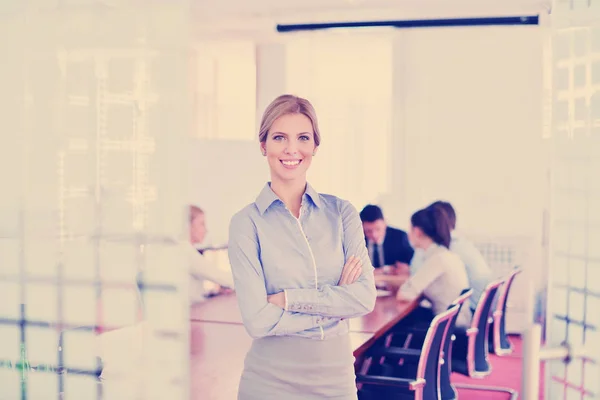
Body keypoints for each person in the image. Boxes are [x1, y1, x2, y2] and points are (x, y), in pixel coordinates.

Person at [227, 94, 377, 400]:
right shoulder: (246, 223)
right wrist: (336, 302)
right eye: (279, 137)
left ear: (315, 147)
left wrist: (287, 299)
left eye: (303, 138)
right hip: (269, 382)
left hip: (336, 380)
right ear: (263, 145)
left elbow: (363, 298)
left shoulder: (342, 213)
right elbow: (257, 321)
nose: (291, 149)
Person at [396, 206, 472, 329]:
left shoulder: (437, 259)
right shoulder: (444, 254)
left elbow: (404, 294)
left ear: (417, 232)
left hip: (449, 329)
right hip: (455, 323)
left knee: (400, 327)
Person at [412, 201, 492, 311]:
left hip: (471, 310)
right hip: (481, 311)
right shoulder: (461, 243)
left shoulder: (446, 249)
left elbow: (415, 280)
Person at [188, 205, 234, 304]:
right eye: (202, 224)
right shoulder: (186, 253)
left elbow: (191, 290)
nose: (206, 230)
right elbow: (221, 277)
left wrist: (214, 292)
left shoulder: (181, 250)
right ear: (188, 226)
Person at [359, 204, 414, 274]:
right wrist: (384, 270)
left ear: (385, 223)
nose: (374, 235)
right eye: (368, 231)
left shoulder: (400, 237)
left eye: (378, 229)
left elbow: (408, 266)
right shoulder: (358, 240)